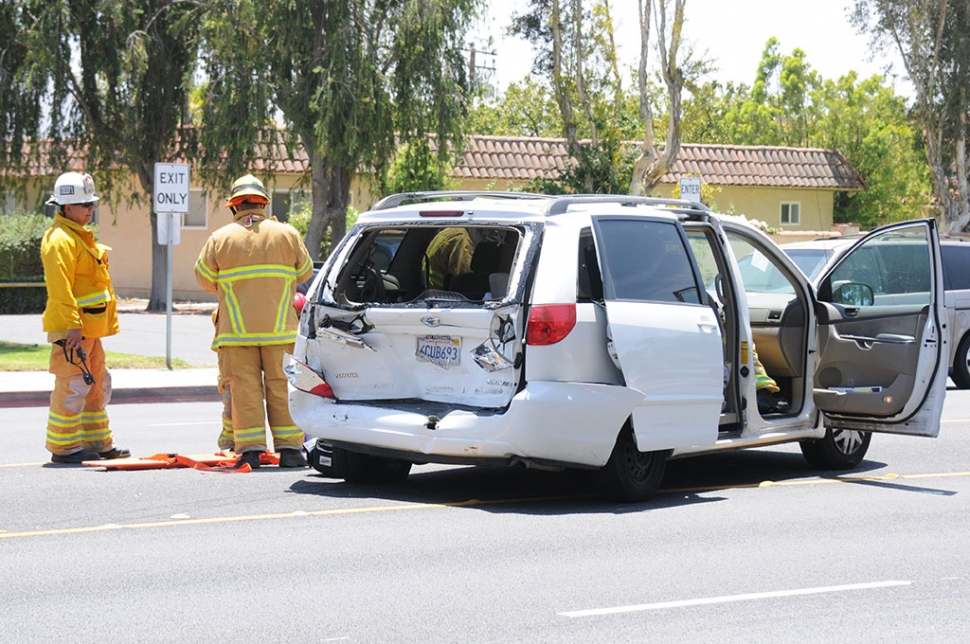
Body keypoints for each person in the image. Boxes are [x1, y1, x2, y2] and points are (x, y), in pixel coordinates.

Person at [195, 174, 314, 468]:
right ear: (263, 203)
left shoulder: (220, 239)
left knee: (244, 390)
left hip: (236, 334)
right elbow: (306, 273)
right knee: (282, 387)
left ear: (234, 206)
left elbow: (205, 279)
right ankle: (289, 451)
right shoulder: (287, 234)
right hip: (281, 332)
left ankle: (250, 452)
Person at [41, 172, 130, 464]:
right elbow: (61, 289)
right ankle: (63, 448)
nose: (90, 208)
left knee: (96, 384)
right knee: (72, 386)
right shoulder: (60, 240)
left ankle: (98, 442)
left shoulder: (78, 237)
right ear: (66, 208)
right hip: (74, 331)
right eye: (83, 204)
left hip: (89, 330)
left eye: (91, 203)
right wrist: (72, 327)